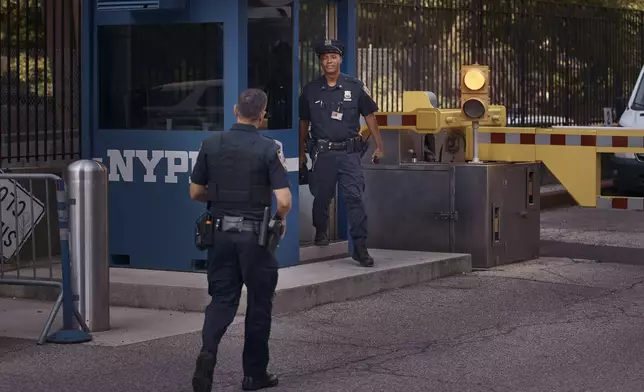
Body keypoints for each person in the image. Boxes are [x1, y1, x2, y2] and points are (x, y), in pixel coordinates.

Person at [189, 88, 292, 392]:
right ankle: (254, 375)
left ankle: (208, 352)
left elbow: (195, 192)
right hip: (255, 238)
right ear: (262, 116)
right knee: (259, 304)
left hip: (219, 234)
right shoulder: (269, 148)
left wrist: (218, 196)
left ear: (235, 110)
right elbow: (284, 200)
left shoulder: (210, 143)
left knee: (222, 300)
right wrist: (281, 220)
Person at [298, 38, 384, 268]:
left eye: (333, 57)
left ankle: (360, 247)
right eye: (325, 58)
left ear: (340, 59)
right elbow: (303, 123)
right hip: (323, 153)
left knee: (355, 198)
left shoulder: (355, 87)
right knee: (322, 197)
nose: (329, 61)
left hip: (349, 154)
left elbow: (370, 117)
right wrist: (300, 151)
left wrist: (379, 145)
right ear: (320, 61)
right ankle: (321, 230)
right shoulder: (310, 90)